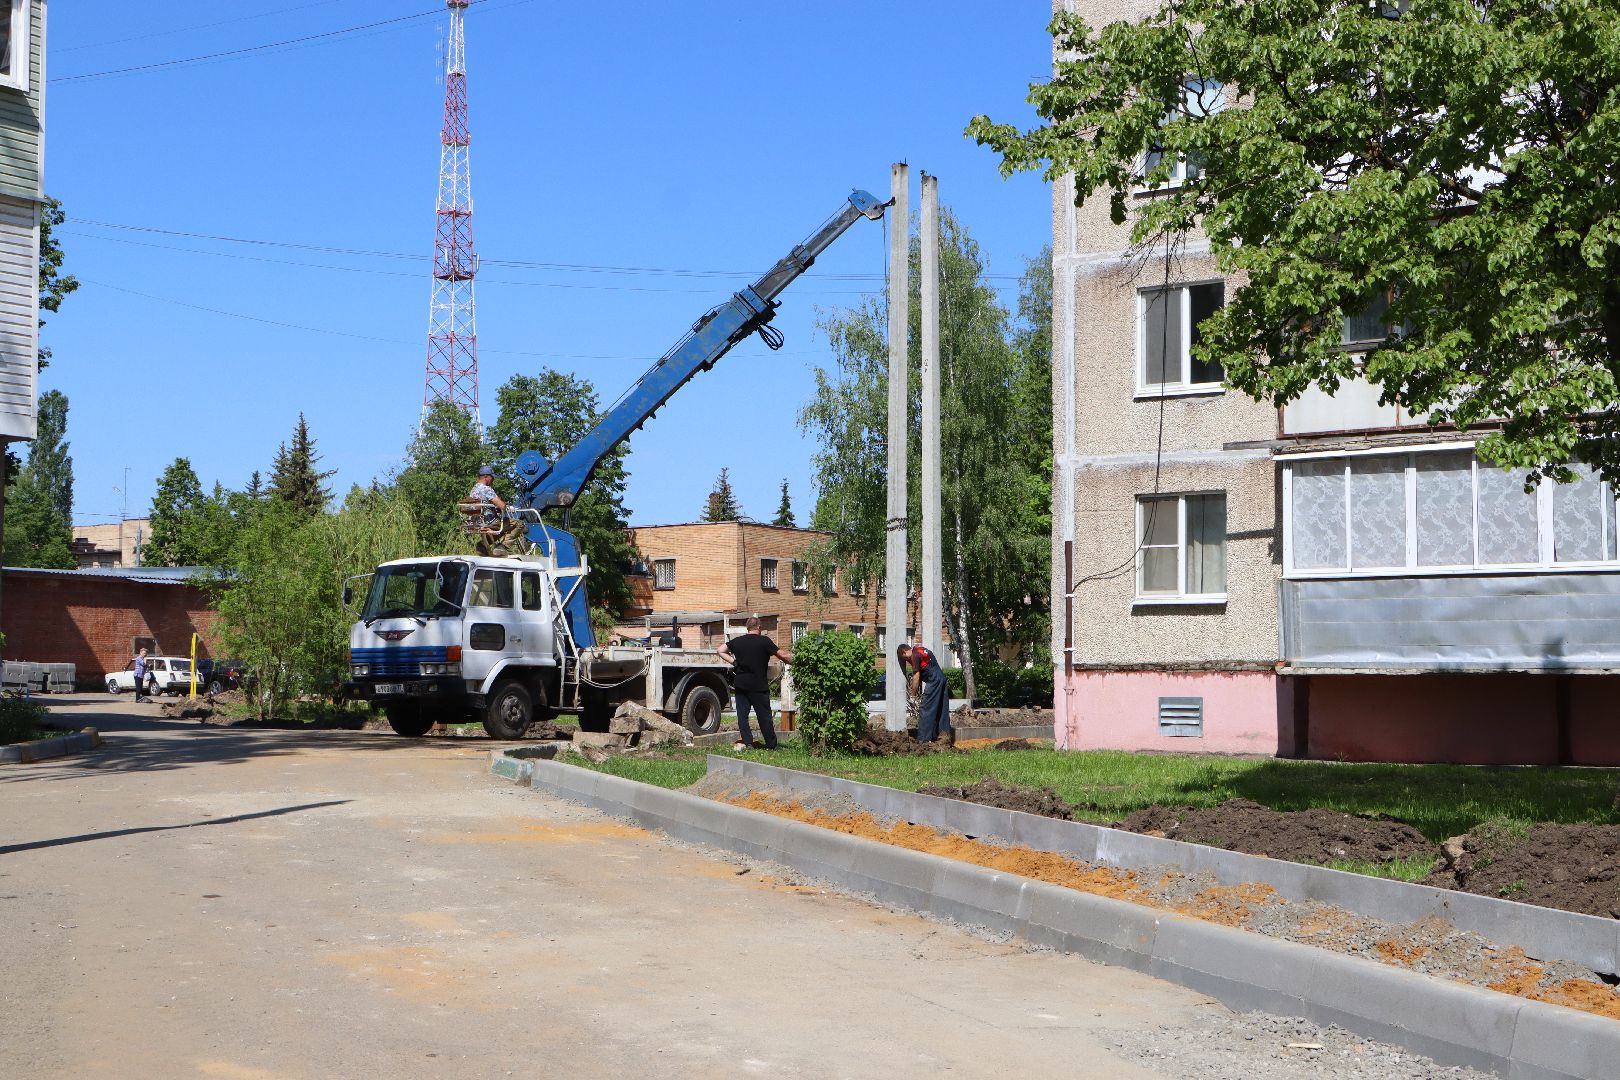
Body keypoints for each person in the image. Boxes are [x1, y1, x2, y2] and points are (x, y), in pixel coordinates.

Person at [717, 617, 791, 751]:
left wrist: (733, 662)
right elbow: (782, 655)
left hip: (741, 684)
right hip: (758, 686)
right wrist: (797, 660)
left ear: (747, 628)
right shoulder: (764, 641)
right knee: (764, 716)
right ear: (758, 627)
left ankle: (748, 742)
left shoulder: (737, 641)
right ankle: (771, 744)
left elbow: (720, 650)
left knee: (742, 716)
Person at [897, 642, 953, 745]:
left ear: (904, 652)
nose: (906, 660)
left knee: (925, 707)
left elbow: (916, 677)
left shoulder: (915, 655)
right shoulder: (921, 650)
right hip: (941, 678)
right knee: (941, 708)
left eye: (904, 658)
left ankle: (923, 739)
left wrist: (913, 695)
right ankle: (944, 736)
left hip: (934, 680)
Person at [466, 465, 513, 556]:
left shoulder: (474, 489)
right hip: (488, 521)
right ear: (486, 477)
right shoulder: (486, 489)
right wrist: (504, 504)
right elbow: (502, 506)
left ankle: (482, 546)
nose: (493, 479)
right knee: (518, 524)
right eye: (492, 477)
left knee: (502, 528)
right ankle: (502, 548)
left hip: (475, 522)